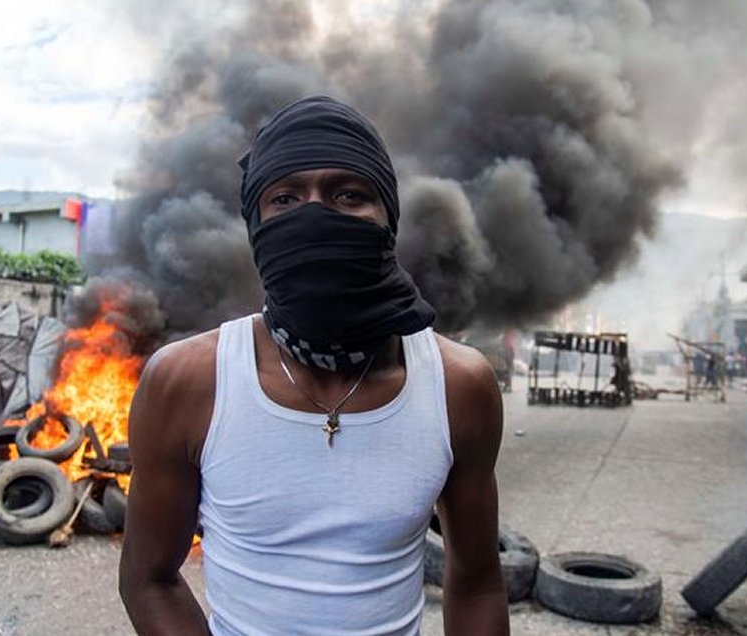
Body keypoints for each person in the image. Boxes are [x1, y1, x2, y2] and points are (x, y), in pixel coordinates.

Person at [119, 96, 509, 635]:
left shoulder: (459, 387)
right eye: (285, 198)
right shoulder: (187, 382)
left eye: (349, 195)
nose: (315, 215)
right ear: (257, 226)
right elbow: (148, 578)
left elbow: (479, 583)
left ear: (387, 220)